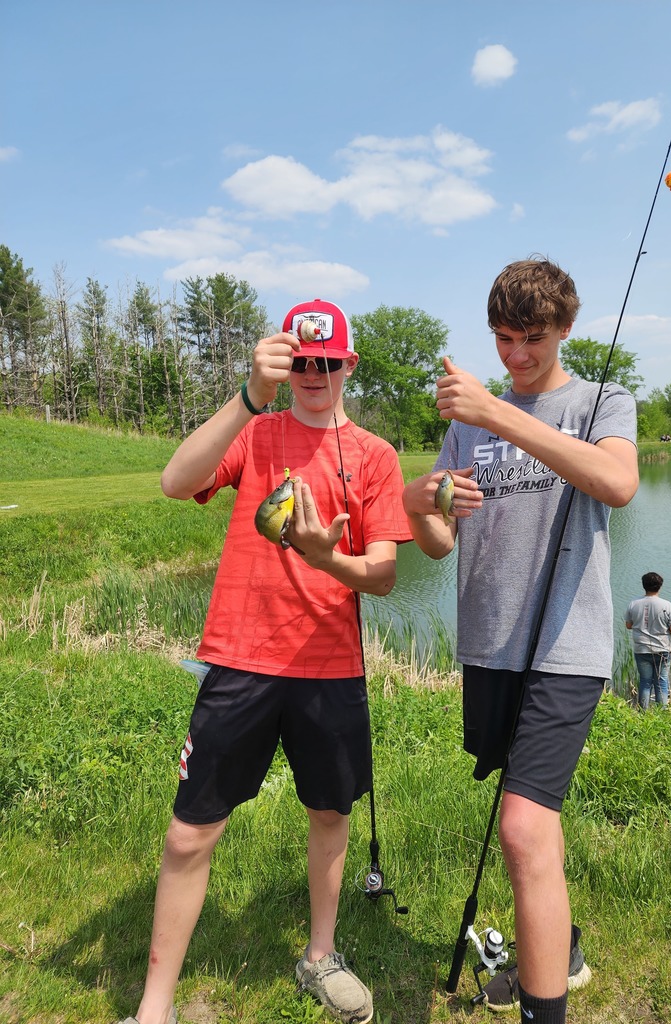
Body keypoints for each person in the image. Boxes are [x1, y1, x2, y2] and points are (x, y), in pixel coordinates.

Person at [118, 299, 411, 1024]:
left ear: (348, 365)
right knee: (191, 831)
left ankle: (319, 955)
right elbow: (175, 481)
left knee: (330, 812)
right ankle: (154, 1008)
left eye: (327, 362)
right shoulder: (256, 432)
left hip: (330, 667)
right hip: (239, 659)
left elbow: (381, 575)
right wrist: (250, 394)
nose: (313, 374)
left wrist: (323, 556)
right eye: (300, 362)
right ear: (284, 361)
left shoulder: (375, 455)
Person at [402, 258, 638, 1023]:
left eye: (531, 338)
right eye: (503, 339)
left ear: (564, 328)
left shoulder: (602, 401)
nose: (515, 357)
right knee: (532, 823)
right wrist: (426, 503)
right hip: (489, 646)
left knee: (522, 825)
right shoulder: (469, 422)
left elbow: (616, 484)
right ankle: (561, 949)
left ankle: (544, 1008)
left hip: (566, 650)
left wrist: (499, 412)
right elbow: (437, 542)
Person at [624, 572, 671, 709]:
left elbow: (628, 625)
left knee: (645, 681)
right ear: (660, 586)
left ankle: (643, 713)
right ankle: (661, 713)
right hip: (662, 649)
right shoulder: (666, 605)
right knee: (661, 681)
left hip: (641, 649)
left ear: (644, 586)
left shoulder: (633, 603)